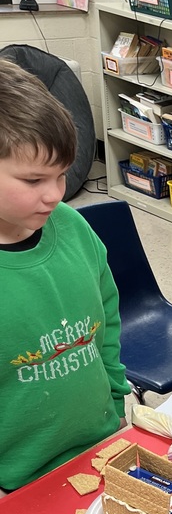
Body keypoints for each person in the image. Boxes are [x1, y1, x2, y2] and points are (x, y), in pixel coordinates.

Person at [0, 59, 131, 491]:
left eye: (61, 174)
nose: (56, 194)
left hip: (103, 445)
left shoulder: (73, 228)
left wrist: (115, 395)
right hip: (20, 485)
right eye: (34, 179)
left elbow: (106, 320)